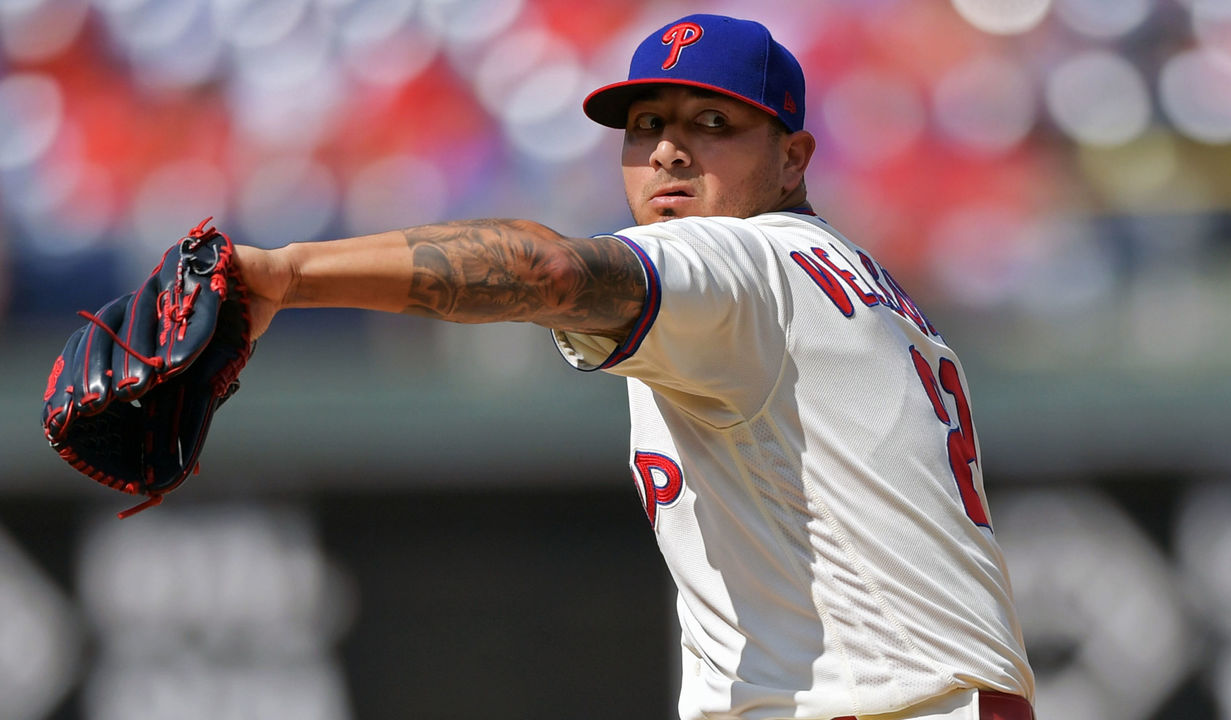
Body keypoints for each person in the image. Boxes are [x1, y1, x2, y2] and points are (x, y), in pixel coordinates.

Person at [233, 14, 1035, 720]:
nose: (667, 151)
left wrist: (283, 275)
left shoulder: (747, 263)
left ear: (793, 158)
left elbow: (547, 271)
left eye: (713, 121)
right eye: (644, 124)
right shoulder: (843, 277)